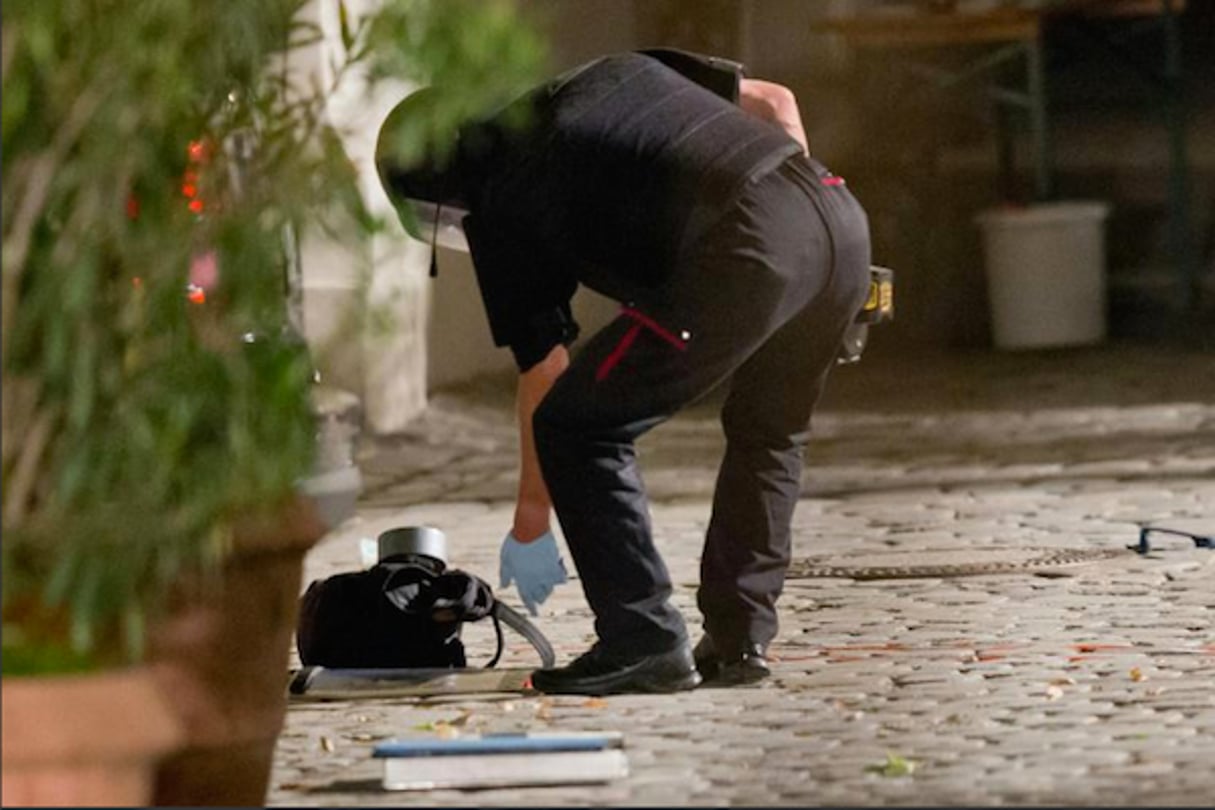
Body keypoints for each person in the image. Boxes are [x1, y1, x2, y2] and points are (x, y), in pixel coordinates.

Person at [376, 48, 871, 695]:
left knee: (576, 427)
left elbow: (545, 374)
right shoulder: (611, 70)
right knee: (769, 432)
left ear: (440, 181)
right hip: (836, 214)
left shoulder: (498, 191)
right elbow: (776, 104)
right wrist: (801, 239)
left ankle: (642, 639)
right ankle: (738, 637)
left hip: (748, 243)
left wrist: (530, 523)